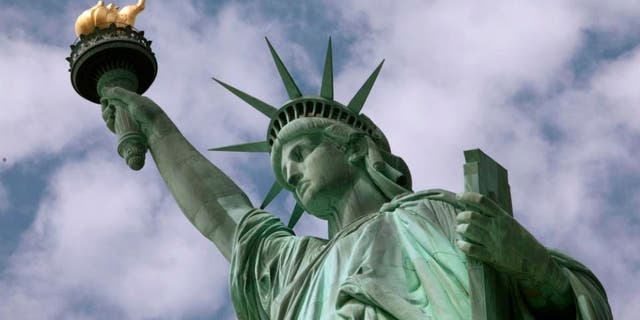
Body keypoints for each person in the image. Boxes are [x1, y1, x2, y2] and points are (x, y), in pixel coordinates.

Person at [99, 41, 612, 319]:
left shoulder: (440, 213)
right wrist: (156, 126)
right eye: (283, 169)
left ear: (353, 148)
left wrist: (532, 267)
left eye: (299, 153)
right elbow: (225, 219)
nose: (291, 172)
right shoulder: (296, 268)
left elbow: (573, 302)